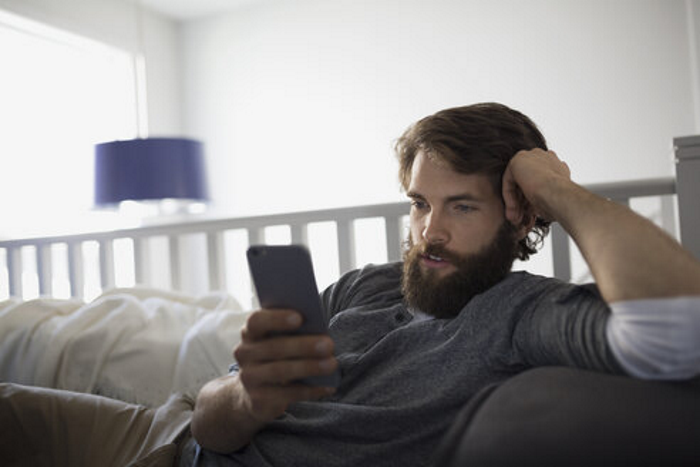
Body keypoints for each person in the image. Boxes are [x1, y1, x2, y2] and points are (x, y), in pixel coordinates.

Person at [2, 102, 700, 467]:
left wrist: (556, 185)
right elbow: (209, 424)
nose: (430, 231)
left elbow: (678, 328)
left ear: (518, 216)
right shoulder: (367, 285)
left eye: (461, 205)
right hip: (163, 433)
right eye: (421, 203)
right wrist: (243, 396)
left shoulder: (521, 314)